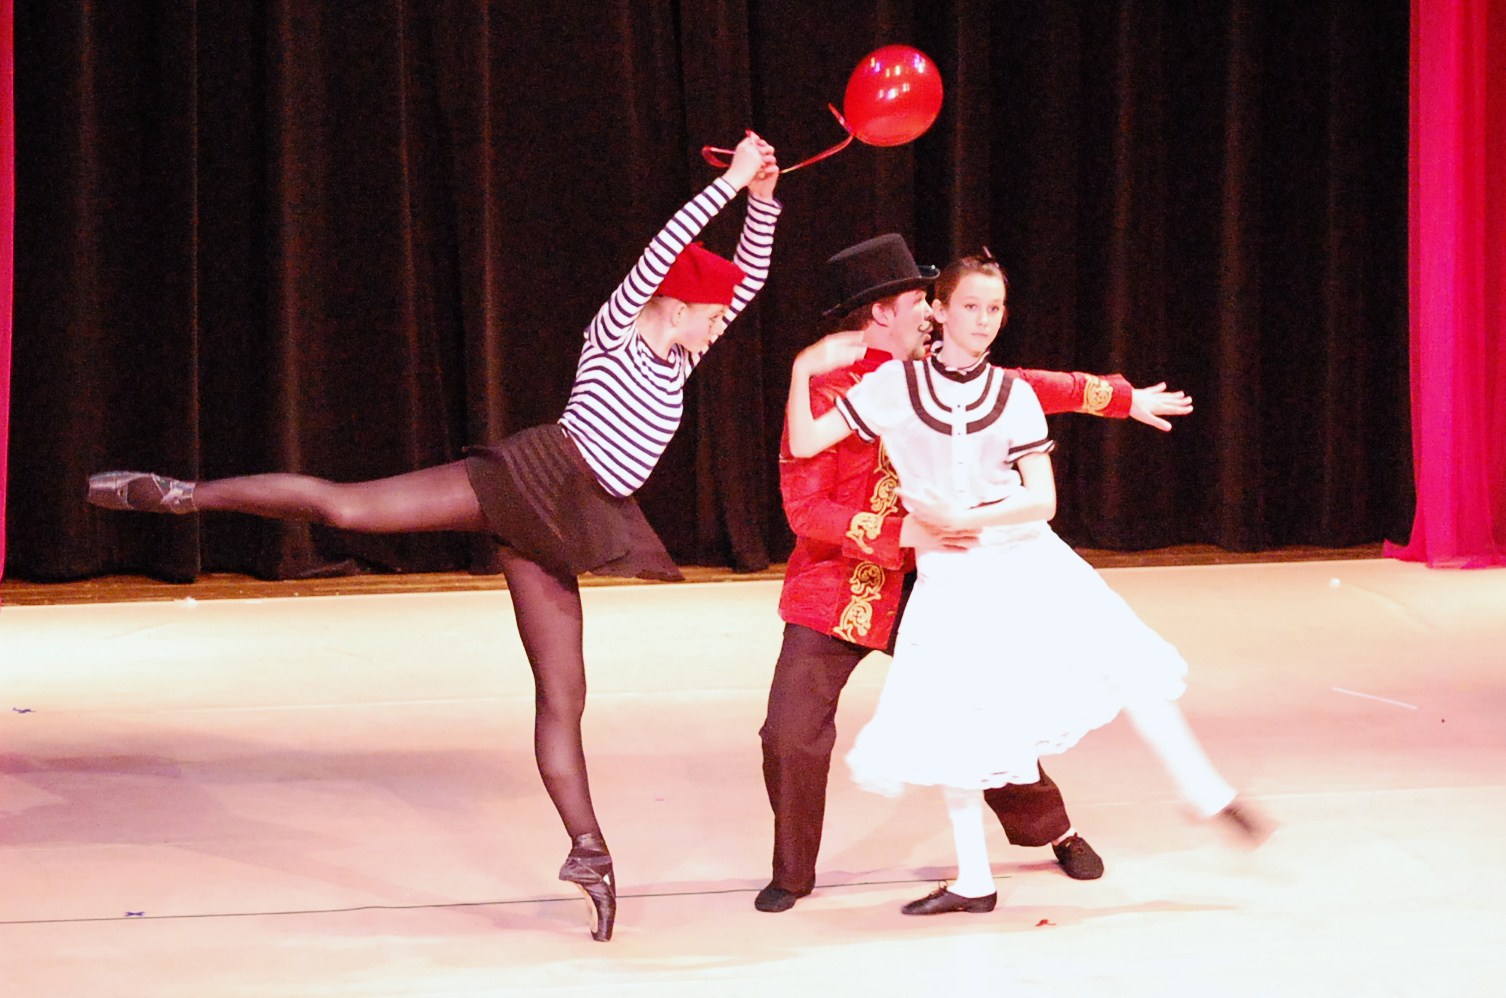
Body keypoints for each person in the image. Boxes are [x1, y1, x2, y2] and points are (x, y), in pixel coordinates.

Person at [85, 132, 783, 942]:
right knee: (347, 510)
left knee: (565, 696)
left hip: (565, 526)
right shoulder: (619, 331)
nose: (717, 326)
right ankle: (182, 495)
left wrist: (763, 200)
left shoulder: (680, 363)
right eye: (708, 313)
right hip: (526, 479)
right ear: (675, 302)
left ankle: (587, 851)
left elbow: (751, 279)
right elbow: (664, 249)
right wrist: (730, 182)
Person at [784, 250, 1266, 917]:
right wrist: (805, 365)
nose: (983, 320)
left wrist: (970, 515)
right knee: (959, 718)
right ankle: (974, 880)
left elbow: (1042, 499)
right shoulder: (893, 388)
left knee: (1125, 655)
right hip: (952, 575)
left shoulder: (1010, 394)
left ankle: (1204, 790)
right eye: (971, 307)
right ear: (942, 311)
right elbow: (806, 446)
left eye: (995, 309)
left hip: (1026, 556)